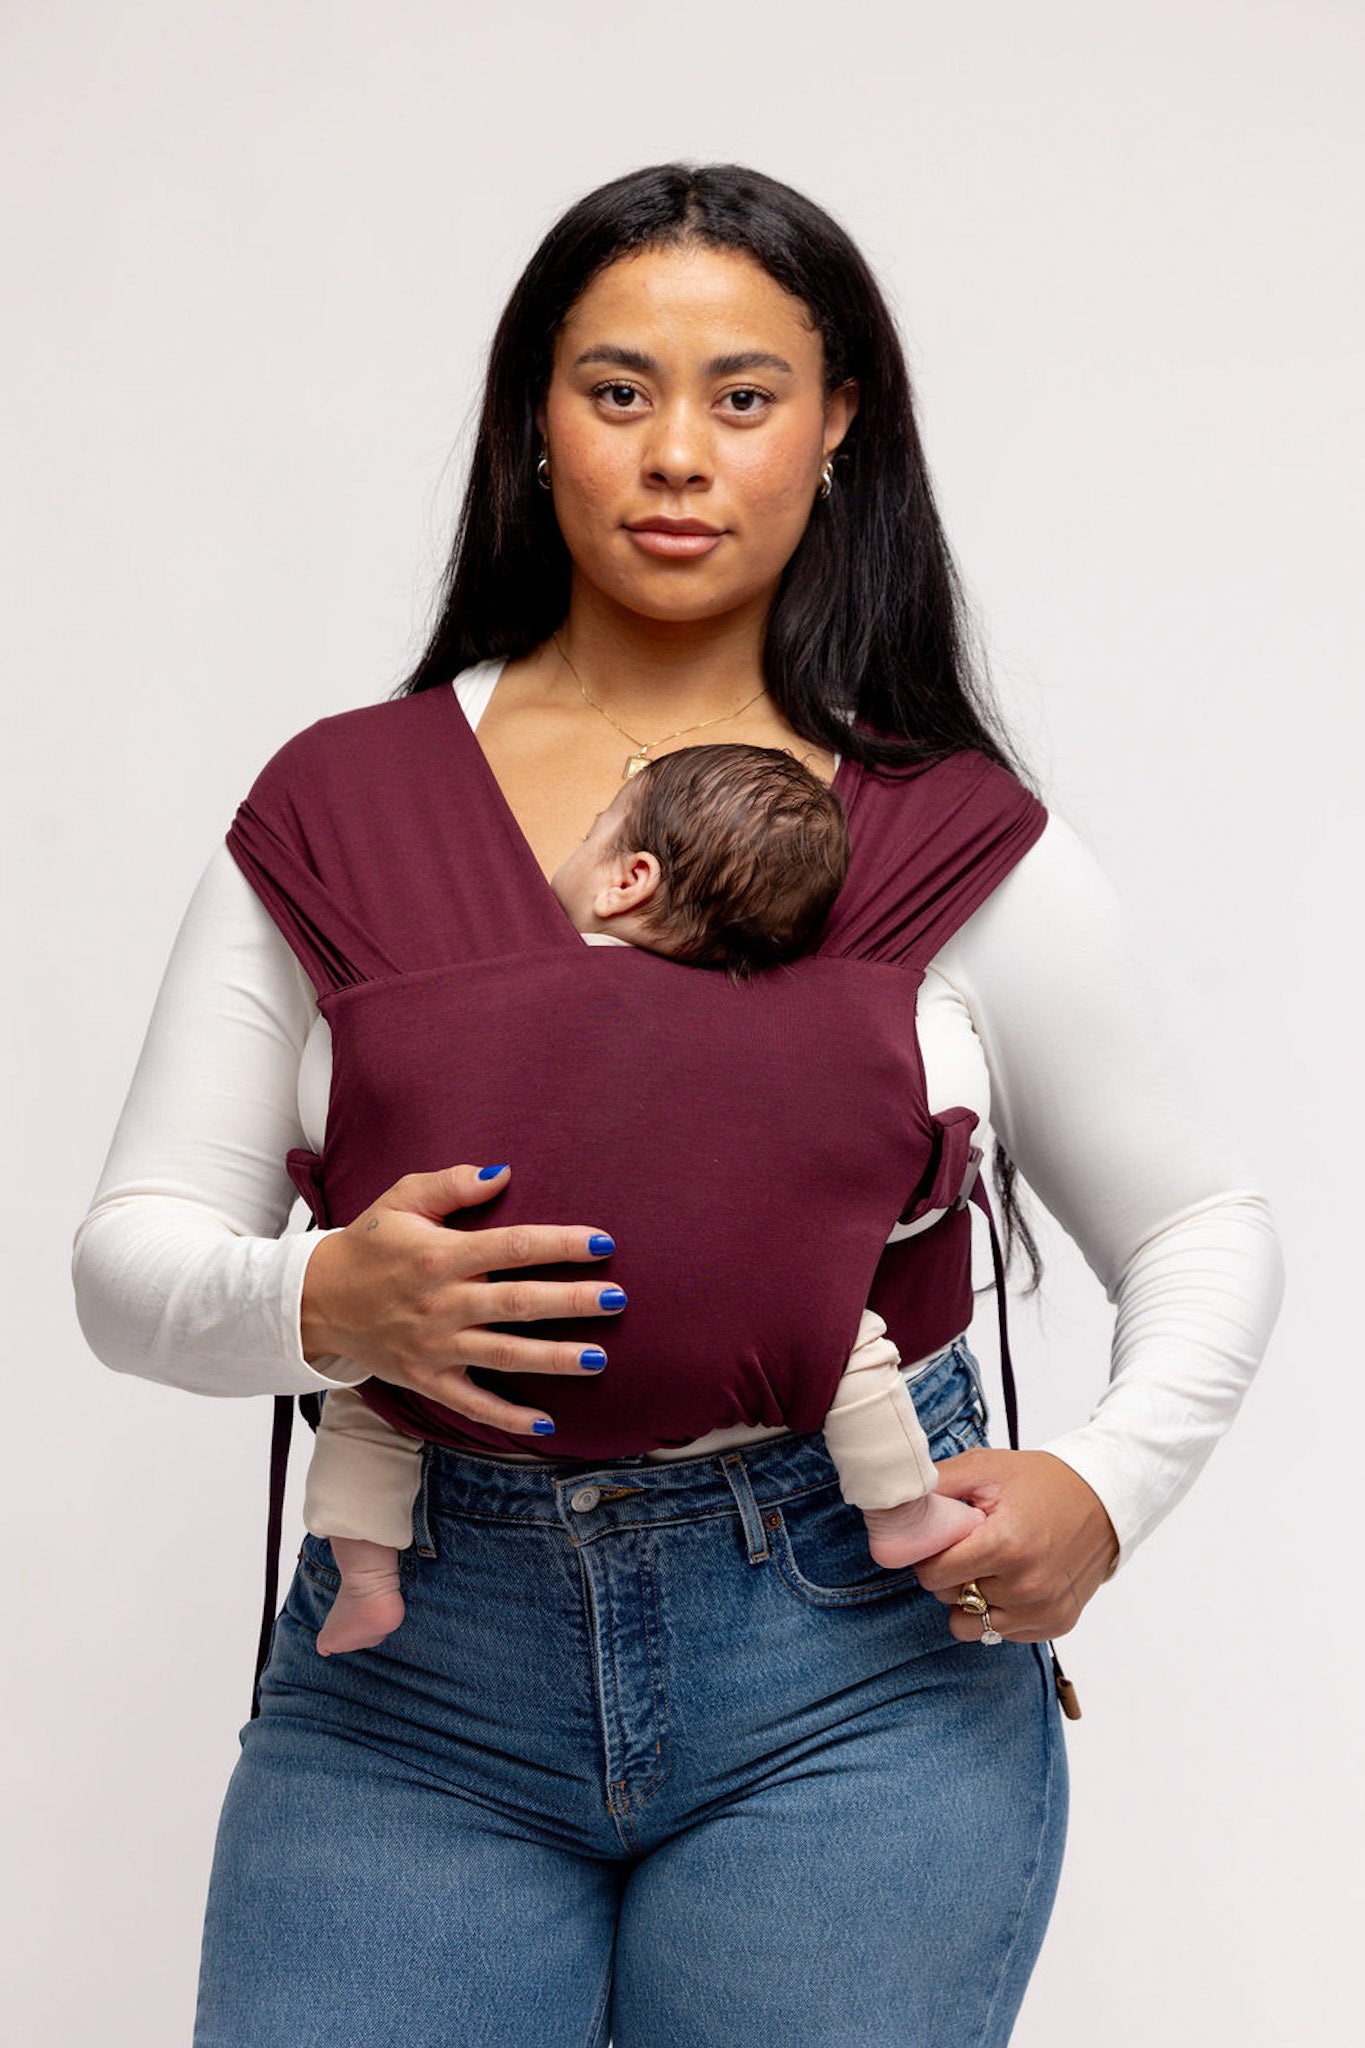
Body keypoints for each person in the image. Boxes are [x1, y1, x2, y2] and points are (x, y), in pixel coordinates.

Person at [72, 161, 1283, 2047]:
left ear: (838, 424)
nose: (677, 455)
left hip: (859, 1661)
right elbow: (127, 1264)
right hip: (415, 1670)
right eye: (618, 390)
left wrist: (1106, 1490)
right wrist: (322, 1300)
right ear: (532, 421)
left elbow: (1201, 1225)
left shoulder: (947, 831)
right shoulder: (341, 806)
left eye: (744, 395)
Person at [306, 741, 985, 1657]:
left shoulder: (481, 983)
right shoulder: (794, 1020)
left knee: (372, 1386)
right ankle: (899, 1512)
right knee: (849, 1347)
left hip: (476, 1331)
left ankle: (366, 1575)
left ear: (629, 879)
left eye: (592, 833)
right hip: (738, 1333)